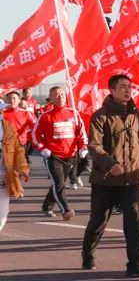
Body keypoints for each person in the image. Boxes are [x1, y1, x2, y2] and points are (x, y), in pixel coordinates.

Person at [81, 74, 139, 278]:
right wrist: (110, 165)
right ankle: (88, 252)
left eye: (130, 86)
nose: (128, 90)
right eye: (123, 87)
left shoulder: (136, 115)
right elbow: (94, 146)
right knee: (98, 221)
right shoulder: (100, 116)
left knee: (133, 222)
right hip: (106, 180)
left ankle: (134, 264)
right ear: (111, 90)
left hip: (131, 180)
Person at [32, 85, 87, 220]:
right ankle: (65, 210)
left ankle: (47, 206)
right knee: (59, 184)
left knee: (59, 183)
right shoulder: (46, 116)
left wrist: (83, 147)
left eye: (62, 94)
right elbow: (35, 135)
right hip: (53, 156)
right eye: (56, 95)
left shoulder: (73, 113)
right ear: (50, 98)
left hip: (70, 155)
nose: (60, 97)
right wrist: (42, 148)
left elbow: (81, 132)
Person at [0, 101, 30, 234]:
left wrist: (23, 168)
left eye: (1, 109)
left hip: (4, 174)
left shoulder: (8, 127)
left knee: (2, 214)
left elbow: (18, 150)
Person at [3, 90, 35, 162]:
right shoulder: (2, 114)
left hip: (21, 144)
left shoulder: (25, 113)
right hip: (6, 144)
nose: (12, 100)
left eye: (14, 98)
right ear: (6, 100)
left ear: (19, 100)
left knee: (22, 168)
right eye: (9, 98)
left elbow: (35, 126)